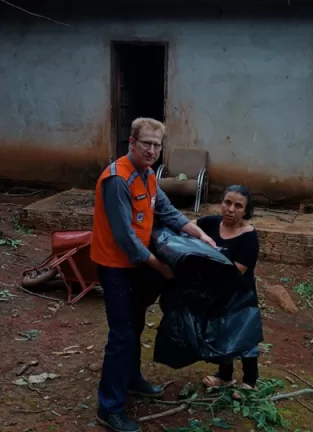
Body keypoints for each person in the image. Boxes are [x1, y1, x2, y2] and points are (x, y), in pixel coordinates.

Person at [90, 117, 216, 432]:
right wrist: (162, 268)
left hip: (135, 266)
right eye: (146, 143)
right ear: (131, 143)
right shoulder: (117, 179)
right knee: (122, 334)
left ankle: (131, 379)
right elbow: (125, 239)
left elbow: (166, 211)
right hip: (116, 266)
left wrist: (197, 233)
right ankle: (109, 407)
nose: (151, 150)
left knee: (133, 325)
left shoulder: (147, 176)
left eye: (157, 145)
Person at [192, 184, 262, 390]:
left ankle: (250, 381)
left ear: (246, 211)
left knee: (245, 337)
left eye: (238, 206)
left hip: (240, 295)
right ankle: (224, 376)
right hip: (216, 293)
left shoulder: (248, 237)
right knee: (222, 334)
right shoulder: (211, 224)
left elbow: (234, 272)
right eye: (227, 202)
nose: (231, 209)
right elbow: (186, 226)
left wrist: (199, 270)